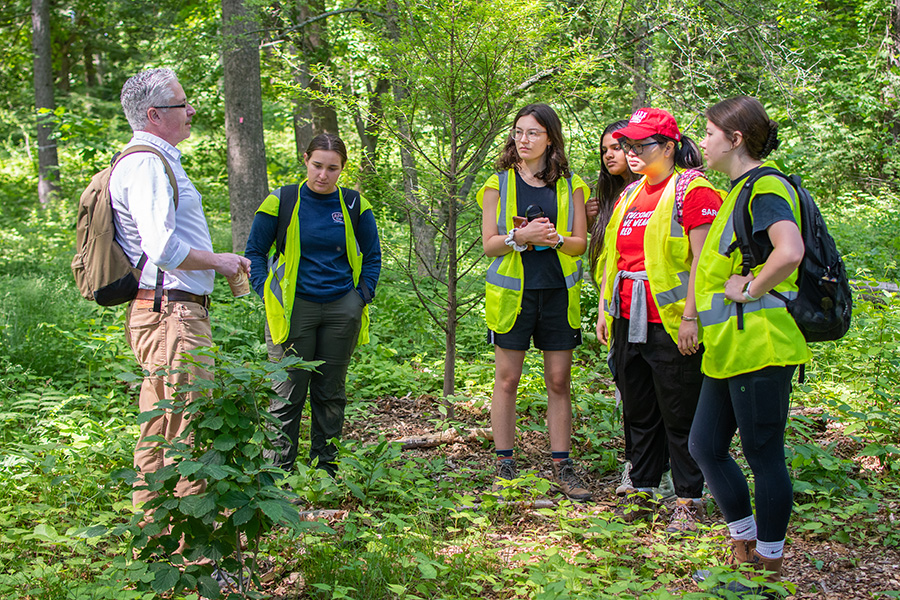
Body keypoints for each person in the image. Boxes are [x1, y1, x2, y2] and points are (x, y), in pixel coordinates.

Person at [111, 68, 251, 511]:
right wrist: (219, 261)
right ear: (154, 114)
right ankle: (192, 547)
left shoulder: (151, 160)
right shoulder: (147, 164)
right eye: (182, 104)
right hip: (172, 315)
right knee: (189, 428)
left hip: (167, 312)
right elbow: (162, 247)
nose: (191, 111)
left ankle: (155, 539)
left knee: (162, 428)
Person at [690, 96, 810, 594]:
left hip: (761, 346)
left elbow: (790, 250)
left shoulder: (766, 187)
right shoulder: (739, 190)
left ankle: (767, 567)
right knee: (704, 446)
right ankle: (744, 546)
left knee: (763, 456)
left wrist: (751, 288)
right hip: (730, 348)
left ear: (735, 139)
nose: (703, 141)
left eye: (709, 132)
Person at [596, 107, 723, 532]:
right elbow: (614, 257)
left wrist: (691, 317)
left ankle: (689, 499)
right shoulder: (630, 194)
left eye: (641, 144)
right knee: (638, 411)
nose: (630, 151)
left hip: (671, 323)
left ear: (668, 147)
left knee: (680, 413)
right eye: (626, 144)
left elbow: (705, 263)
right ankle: (642, 490)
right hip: (627, 318)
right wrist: (605, 310)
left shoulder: (694, 191)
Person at [244, 133, 381, 477]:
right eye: (317, 165)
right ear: (305, 160)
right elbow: (254, 252)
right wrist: (265, 291)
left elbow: (372, 256)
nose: (323, 175)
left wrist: (360, 297)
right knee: (286, 394)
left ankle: (325, 472)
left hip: (341, 309)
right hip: (293, 310)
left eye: (332, 168)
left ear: (342, 169)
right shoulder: (282, 200)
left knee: (330, 393)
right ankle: (278, 476)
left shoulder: (354, 204)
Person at [477, 103, 591, 501]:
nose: (523, 140)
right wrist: (520, 238)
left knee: (559, 381)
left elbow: (580, 243)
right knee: (507, 380)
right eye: (519, 132)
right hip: (514, 297)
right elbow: (490, 244)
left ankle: (563, 465)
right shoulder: (498, 183)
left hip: (558, 294)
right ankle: (504, 464)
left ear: (551, 139)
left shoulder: (572, 185)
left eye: (533, 133)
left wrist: (555, 239)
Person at [586, 119, 674, 499]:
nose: (614, 154)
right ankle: (640, 472)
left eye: (620, 147)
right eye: (606, 149)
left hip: (660, 313)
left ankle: (672, 477)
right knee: (633, 398)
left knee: (667, 399)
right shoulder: (613, 198)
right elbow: (609, 258)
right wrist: (605, 309)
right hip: (620, 309)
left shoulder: (672, 190)